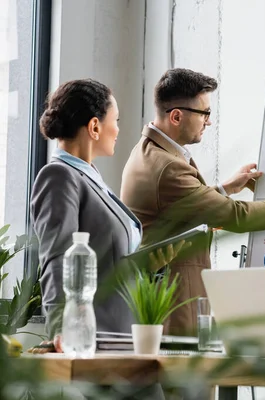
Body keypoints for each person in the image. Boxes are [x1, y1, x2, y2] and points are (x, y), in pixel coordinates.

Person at [120, 68, 265, 335]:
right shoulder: (167, 166)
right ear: (176, 116)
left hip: (166, 294)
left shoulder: (149, 151)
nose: (208, 121)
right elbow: (235, 217)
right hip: (175, 299)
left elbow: (182, 207)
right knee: (186, 376)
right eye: (204, 113)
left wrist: (226, 187)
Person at [30, 79, 177, 352]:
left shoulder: (91, 178)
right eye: (116, 119)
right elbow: (57, 259)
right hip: (96, 341)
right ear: (95, 126)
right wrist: (62, 330)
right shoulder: (59, 177)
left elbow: (108, 263)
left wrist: (150, 264)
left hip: (124, 336)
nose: (118, 129)